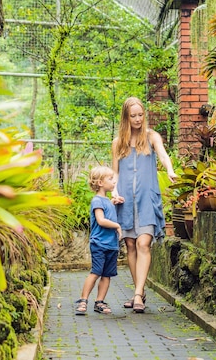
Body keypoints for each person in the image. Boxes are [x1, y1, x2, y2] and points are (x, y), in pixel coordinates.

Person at [111, 97, 177, 313]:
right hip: (126, 202)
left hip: (147, 199)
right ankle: (139, 290)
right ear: (126, 117)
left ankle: (138, 294)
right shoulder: (118, 143)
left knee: (143, 244)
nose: (138, 119)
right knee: (130, 245)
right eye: (133, 116)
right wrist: (114, 191)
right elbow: (115, 173)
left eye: (140, 115)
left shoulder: (151, 137)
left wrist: (169, 169)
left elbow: (163, 155)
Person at [75, 166, 122, 315]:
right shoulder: (97, 201)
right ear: (100, 182)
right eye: (110, 179)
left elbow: (107, 211)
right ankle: (83, 300)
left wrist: (114, 204)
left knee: (107, 274)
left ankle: (99, 302)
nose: (114, 181)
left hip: (111, 245)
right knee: (96, 272)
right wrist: (117, 226)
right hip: (99, 244)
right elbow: (101, 220)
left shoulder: (107, 200)